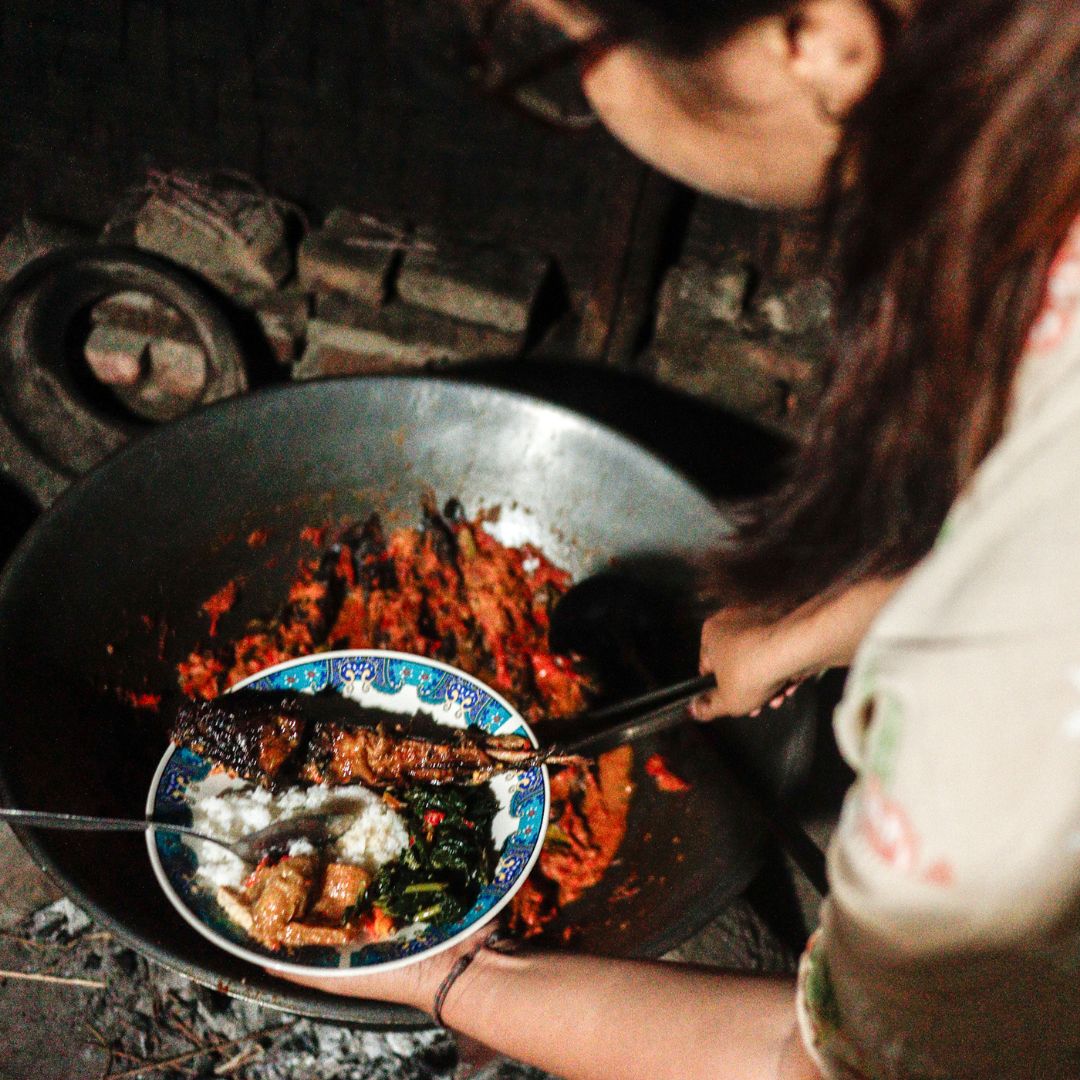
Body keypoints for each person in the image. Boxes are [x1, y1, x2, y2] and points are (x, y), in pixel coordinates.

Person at [273, 1, 1080, 1077]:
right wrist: (813, 624)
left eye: (563, 51)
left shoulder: (999, 714)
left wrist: (445, 977)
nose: (588, 98)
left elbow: (821, 1068)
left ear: (821, 36)